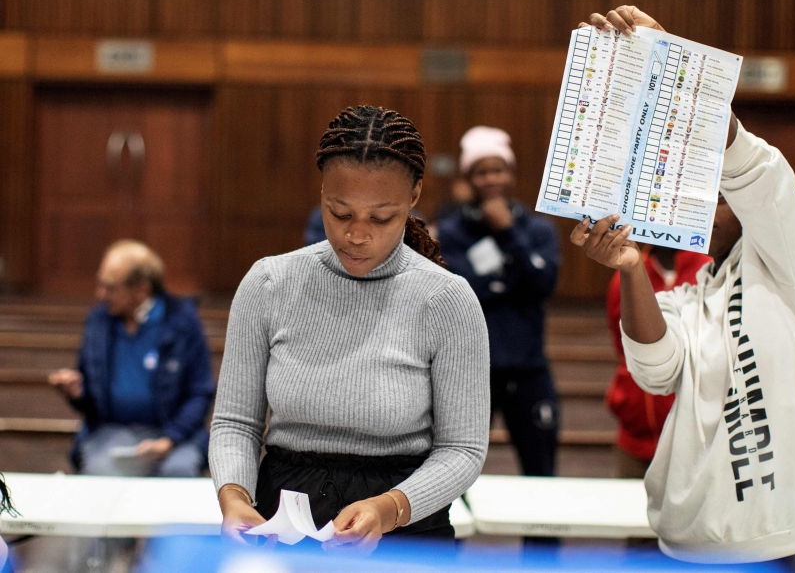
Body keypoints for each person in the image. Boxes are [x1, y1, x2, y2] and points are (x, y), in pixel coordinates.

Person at [572, 6, 795, 563]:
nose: (702, 204)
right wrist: (629, 267)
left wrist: (666, 62)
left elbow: (759, 175)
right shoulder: (687, 296)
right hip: (693, 541)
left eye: (718, 196)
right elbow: (655, 372)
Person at [210, 106, 490, 553]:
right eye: (339, 213)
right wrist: (234, 496)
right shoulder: (268, 283)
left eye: (381, 218)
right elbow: (236, 422)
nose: (357, 235)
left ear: (415, 195)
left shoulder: (447, 300)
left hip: (405, 526)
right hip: (283, 518)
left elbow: (462, 450)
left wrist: (390, 508)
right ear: (322, 191)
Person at [437, 126, 561, 478]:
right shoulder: (451, 232)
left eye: (498, 169)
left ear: (511, 174)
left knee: (542, 476)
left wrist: (507, 233)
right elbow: (460, 292)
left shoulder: (537, 231)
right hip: (474, 373)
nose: (491, 178)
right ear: (468, 178)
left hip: (530, 369)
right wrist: (510, 281)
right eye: (481, 171)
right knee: (455, 477)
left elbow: (542, 283)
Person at [48, 241, 215, 477]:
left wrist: (171, 439)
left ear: (142, 290)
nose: (100, 294)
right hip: (112, 431)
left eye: (110, 287)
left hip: (172, 433)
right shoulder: (99, 321)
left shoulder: (183, 322)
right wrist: (77, 391)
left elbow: (200, 391)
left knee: (177, 474)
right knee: (102, 474)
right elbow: (91, 400)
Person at [605, 247, 709, 479]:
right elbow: (623, 349)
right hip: (635, 438)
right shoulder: (627, 271)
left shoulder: (710, 271)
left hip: (698, 443)